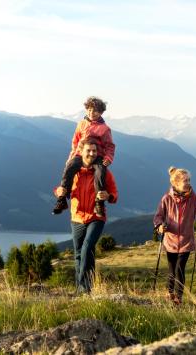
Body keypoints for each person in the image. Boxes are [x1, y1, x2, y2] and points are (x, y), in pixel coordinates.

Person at [55, 138, 118, 294]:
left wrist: (107, 195)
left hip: (96, 216)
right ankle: (82, 288)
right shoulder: (73, 172)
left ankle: (84, 288)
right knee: (78, 253)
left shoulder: (103, 173)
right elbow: (61, 189)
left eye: (94, 151)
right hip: (77, 217)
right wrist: (59, 192)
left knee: (87, 248)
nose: (91, 153)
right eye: (88, 150)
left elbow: (114, 195)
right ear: (81, 151)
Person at [153, 166, 196, 305]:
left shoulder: (194, 198)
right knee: (172, 269)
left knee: (180, 268)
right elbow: (158, 216)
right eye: (186, 180)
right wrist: (160, 226)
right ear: (176, 183)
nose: (189, 183)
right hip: (170, 241)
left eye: (189, 180)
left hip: (186, 241)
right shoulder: (166, 198)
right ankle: (170, 293)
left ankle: (178, 297)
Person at [53, 96, 115, 217]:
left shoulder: (104, 129)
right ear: (87, 109)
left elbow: (110, 146)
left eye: (96, 111)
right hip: (80, 154)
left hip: (97, 155)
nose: (92, 113)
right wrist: (71, 157)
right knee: (69, 168)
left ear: (101, 112)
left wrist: (108, 158)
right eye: (90, 110)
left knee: (100, 171)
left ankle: (99, 202)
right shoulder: (81, 124)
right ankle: (62, 198)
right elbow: (75, 142)